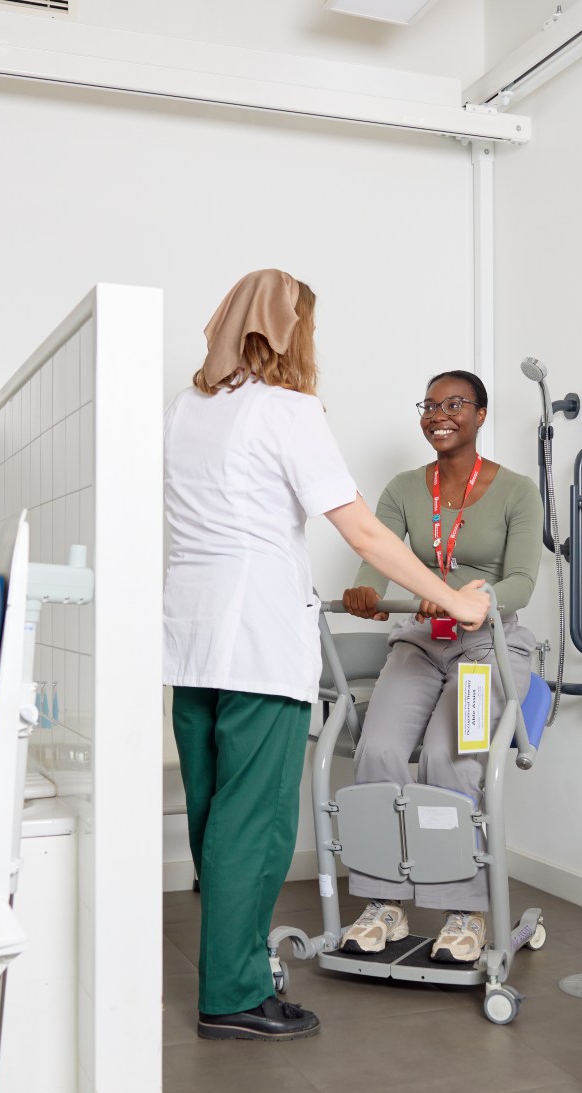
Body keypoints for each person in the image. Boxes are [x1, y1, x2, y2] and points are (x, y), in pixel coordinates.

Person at [164, 270, 490, 1042]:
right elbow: (366, 534)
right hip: (258, 641)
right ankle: (234, 995)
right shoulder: (287, 409)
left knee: (213, 818)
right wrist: (456, 601)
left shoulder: (184, 411)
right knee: (257, 823)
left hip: (186, 638)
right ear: (290, 332)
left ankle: (235, 968)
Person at [337, 370, 543, 964]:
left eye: (455, 404)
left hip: (487, 646)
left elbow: (523, 581)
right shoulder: (404, 488)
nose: (440, 414)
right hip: (420, 641)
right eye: (430, 404)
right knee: (375, 751)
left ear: (481, 415)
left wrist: (471, 600)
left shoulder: (517, 492)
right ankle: (386, 904)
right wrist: (364, 590)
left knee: (447, 758)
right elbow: (377, 555)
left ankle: (464, 910)